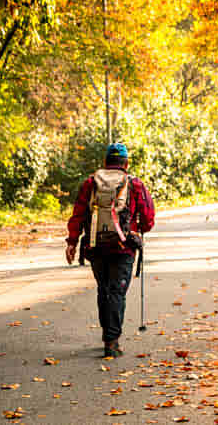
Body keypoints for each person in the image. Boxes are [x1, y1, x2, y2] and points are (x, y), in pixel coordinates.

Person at [66, 143, 155, 357]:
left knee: (103, 289)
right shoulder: (134, 184)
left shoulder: (90, 183)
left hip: (95, 245)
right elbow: (148, 217)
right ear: (126, 163)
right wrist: (139, 229)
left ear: (105, 162)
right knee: (116, 291)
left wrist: (72, 242)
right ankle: (112, 342)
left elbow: (78, 213)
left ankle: (108, 334)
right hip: (123, 247)